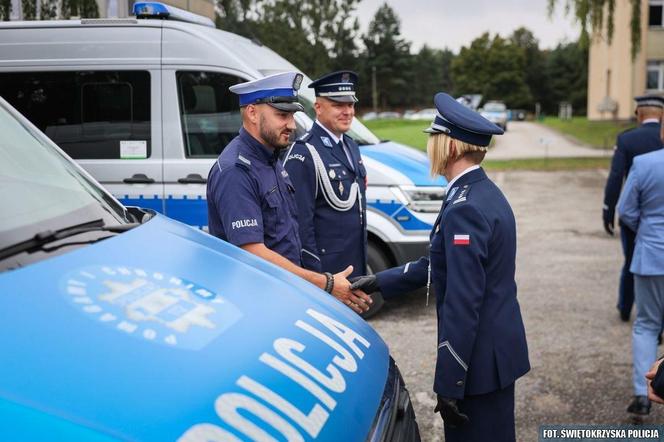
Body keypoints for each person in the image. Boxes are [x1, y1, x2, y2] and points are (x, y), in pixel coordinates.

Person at [351, 93, 530, 442]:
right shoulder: (478, 191)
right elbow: (439, 265)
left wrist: (451, 382)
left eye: (433, 138)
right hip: (494, 354)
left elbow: (464, 302)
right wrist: (377, 281)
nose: (429, 146)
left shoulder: (465, 206)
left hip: (478, 367)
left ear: (449, 147)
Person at [206, 71, 371, 314]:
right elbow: (252, 252)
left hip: (285, 293)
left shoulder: (270, 158)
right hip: (260, 303)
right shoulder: (236, 170)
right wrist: (323, 283)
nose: (291, 125)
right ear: (252, 112)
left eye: (292, 115)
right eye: (282, 115)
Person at [283, 71, 367, 279]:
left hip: (354, 264)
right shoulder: (304, 152)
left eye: (350, 105)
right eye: (338, 105)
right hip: (327, 271)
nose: (347, 112)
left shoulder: (350, 145)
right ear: (318, 108)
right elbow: (301, 225)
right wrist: (317, 278)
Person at [603, 95, 664, 321]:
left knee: (631, 262)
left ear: (639, 114)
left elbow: (616, 177)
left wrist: (608, 210)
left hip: (634, 215)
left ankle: (626, 307)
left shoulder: (628, 139)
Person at [618, 146, 664, 416]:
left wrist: (647, 230)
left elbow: (626, 210)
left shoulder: (645, 163)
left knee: (646, 324)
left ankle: (643, 394)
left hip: (652, 254)